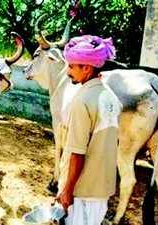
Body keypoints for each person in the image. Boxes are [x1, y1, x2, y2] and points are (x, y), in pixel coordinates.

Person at [56, 35, 122, 225]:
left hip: (82, 188)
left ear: (87, 68)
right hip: (103, 188)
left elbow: (77, 152)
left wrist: (67, 190)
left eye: (71, 66)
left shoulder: (82, 101)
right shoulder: (110, 96)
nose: (68, 72)